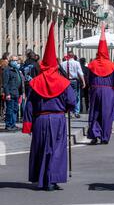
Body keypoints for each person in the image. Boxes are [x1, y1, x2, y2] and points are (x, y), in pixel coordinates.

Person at [22, 23, 76, 191]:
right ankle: (53, 180)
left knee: (40, 148)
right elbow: (72, 102)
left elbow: (29, 106)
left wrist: (27, 124)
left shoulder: (35, 83)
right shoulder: (64, 82)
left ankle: (42, 178)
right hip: (58, 118)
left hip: (40, 119)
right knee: (57, 149)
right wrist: (65, 109)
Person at [87, 24, 114, 145]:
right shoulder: (112, 65)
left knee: (95, 112)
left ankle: (94, 134)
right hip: (108, 91)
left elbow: (89, 79)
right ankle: (104, 137)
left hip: (95, 90)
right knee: (106, 114)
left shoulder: (92, 64)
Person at [61, 51, 85, 118]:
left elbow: (61, 73)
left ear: (67, 56)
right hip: (74, 81)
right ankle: (76, 112)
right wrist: (83, 82)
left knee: (67, 95)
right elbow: (80, 73)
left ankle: (70, 111)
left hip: (66, 81)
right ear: (73, 56)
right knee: (76, 96)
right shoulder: (77, 63)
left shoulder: (63, 64)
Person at [2, 55, 24, 131]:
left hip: (16, 93)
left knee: (15, 109)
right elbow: (5, 83)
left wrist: (21, 93)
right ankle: (8, 125)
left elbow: (20, 81)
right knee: (10, 110)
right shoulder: (7, 70)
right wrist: (7, 94)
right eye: (14, 60)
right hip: (10, 93)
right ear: (10, 61)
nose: (16, 62)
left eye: (17, 60)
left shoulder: (16, 69)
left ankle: (13, 124)